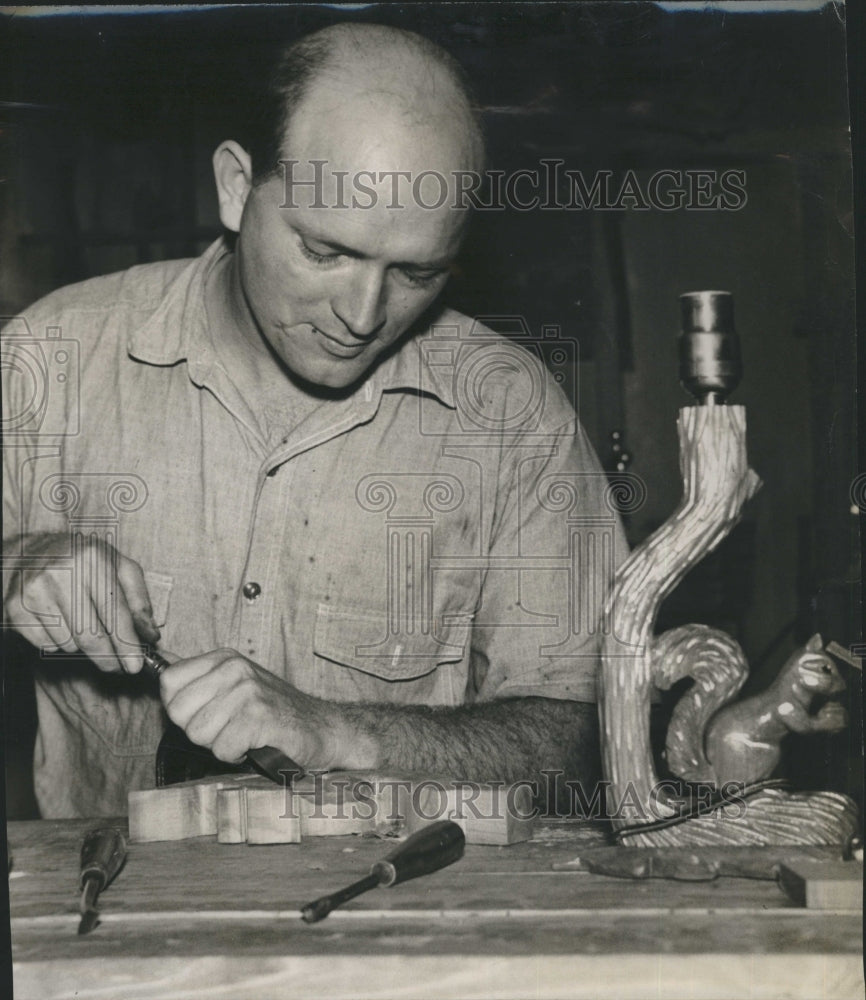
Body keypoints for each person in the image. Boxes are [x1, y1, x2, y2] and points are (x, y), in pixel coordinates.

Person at [2, 22, 626, 818]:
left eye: (416, 272)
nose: (362, 316)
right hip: (112, 890)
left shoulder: (512, 416)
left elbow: (583, 745)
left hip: (394, 886)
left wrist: (338, 733)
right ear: (236, 187)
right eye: (325, 252)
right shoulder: (50, 357)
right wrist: (17, 564)